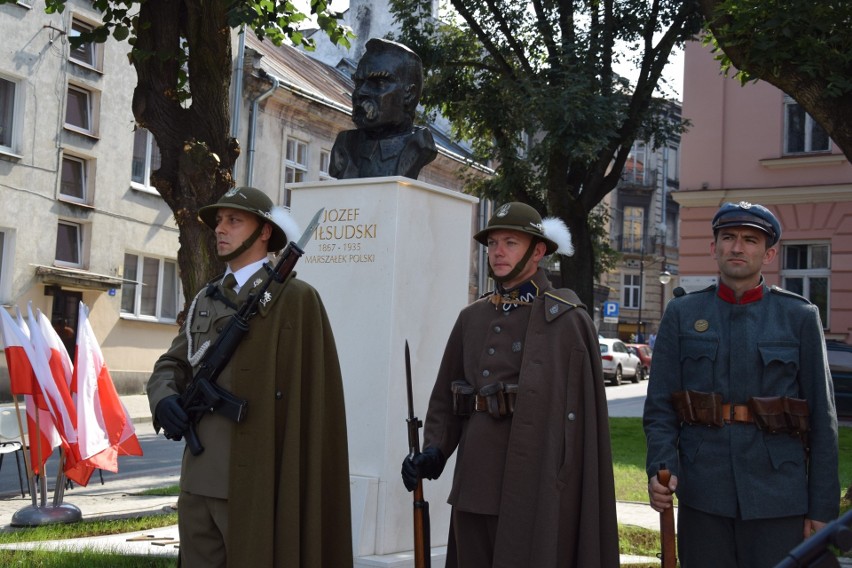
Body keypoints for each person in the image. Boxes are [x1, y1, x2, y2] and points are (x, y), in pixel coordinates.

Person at [401, 202, 620, 567]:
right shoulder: (472, 317)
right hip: (475, 481)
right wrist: (435, 452)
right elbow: (447, 397)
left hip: (538, 483)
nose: (498, 252)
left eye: (510, 243)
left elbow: (582, 422)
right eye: (493, 243)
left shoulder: (567, 320)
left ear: (538, 251)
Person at [146, 187, 352, 568]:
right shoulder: (206, 298)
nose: (220, 229)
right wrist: (163, 400)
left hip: (258, 476)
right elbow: (172, 364)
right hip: (199, 474)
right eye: (219, 221)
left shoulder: (295, 299)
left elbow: (309, 396)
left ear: (263, 232)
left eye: (234, 220)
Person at [643, 201, 839, 568]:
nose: (737, 247)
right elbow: (659, 409)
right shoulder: (683, 314)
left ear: (769, 253)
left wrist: (822, 508)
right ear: (713, 247)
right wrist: (661, 467)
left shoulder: (799, 316)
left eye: (751, 240)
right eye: (728, 237)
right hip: (704, 490)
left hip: (778, 493)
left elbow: (823, 422)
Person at [330, 37, 437, 180]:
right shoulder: (345, 146)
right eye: (359, 83)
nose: (361, 92)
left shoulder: (419, 145)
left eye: (378, 83)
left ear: (409, 94)